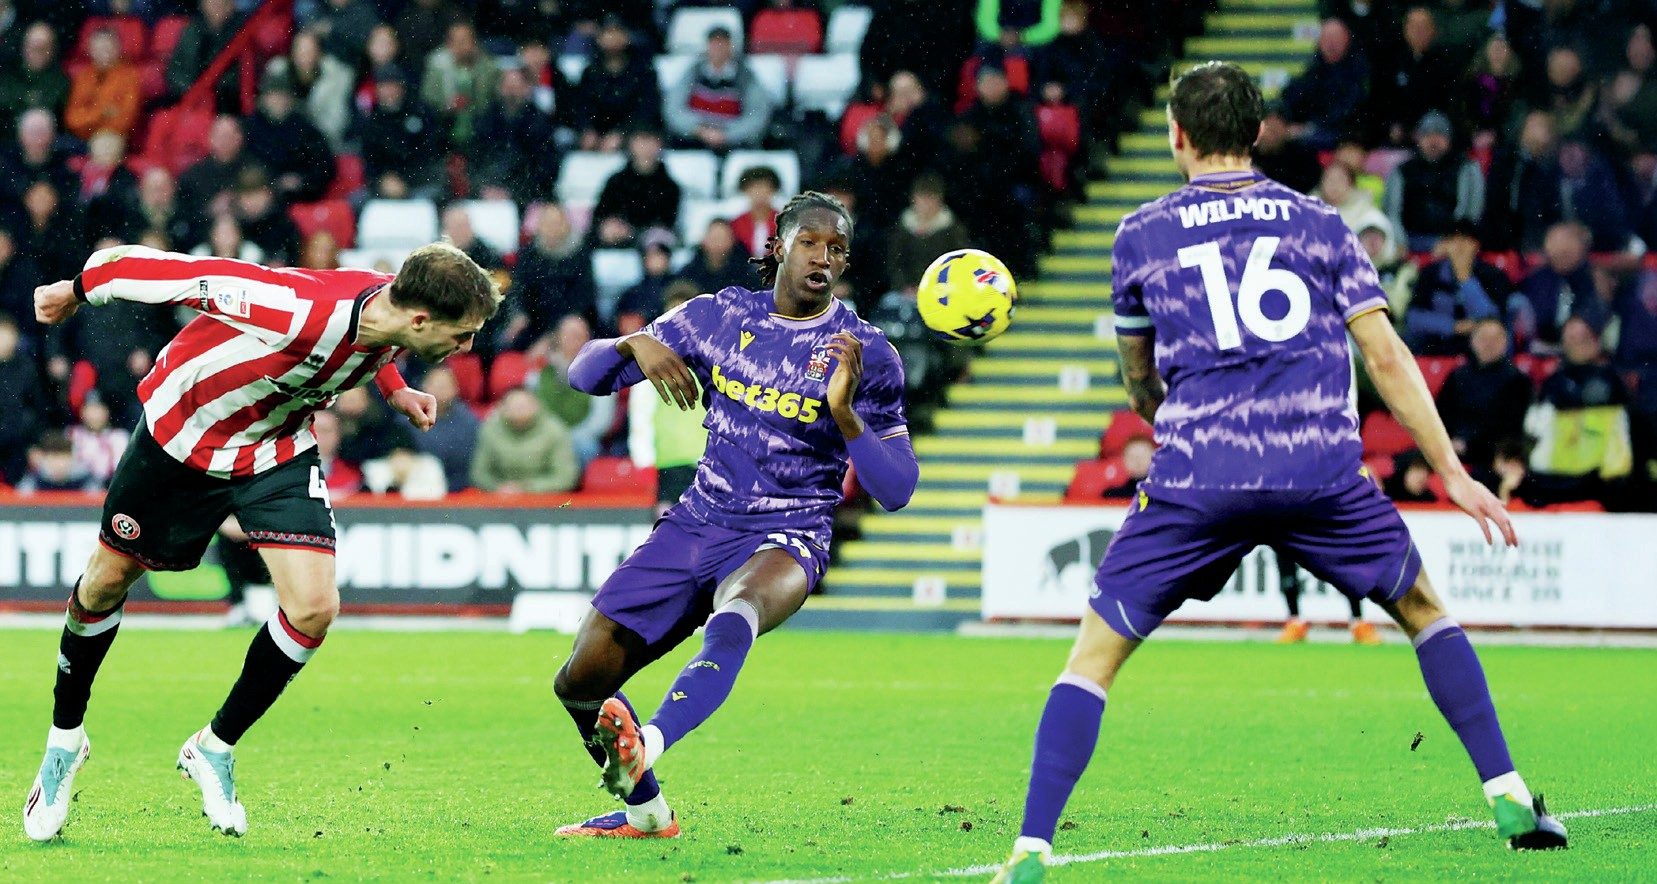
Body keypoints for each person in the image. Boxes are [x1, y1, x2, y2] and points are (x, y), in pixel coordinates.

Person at [991, 62, 1564, 883]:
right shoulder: (1321, 225)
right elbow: (1386, 357)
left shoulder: (1140, 234)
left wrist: (1169, 417)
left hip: (1197, 474)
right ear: (1258, 133)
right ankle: (1507, 792)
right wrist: (1452, 471)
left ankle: (1031, 847)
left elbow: (1137, 375)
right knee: (1422, 607)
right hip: (1318, 470)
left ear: (1175, 135)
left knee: (1092, 658)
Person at [22, 241, 500, 842]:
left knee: (314, 608)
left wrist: (395, 389)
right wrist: (74, 290)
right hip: (183, 437)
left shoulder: (393, 310)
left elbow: (373, 342)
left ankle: (214, 747)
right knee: (104, 583)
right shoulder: (297, 308)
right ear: (422, 321)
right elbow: (173, 272)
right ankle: (64, 742)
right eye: (463, 336)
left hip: (274, 446)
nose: (469, 350)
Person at [553, 192, 917, 838]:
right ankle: (647, 813)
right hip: (696, 520)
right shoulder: (715, 318)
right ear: (777, 247)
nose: (824, 258)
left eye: (837, 249)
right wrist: (636, 344)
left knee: (738, 609)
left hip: (789, 532)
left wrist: (844, 415)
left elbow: (896, 489)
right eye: (811, 242)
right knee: (581, 682)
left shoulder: (865, 352)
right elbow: (582, 377)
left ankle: (653, 740)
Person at [627, 285, 710, 515]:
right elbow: (641, 413)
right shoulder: (650, 362)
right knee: (669, 530)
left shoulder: (715, 358)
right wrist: (644, 460)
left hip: (713, 461)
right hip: (671, 463)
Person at [1403, 221, 1510, 356]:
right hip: (1438, 339)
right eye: (1453, 240)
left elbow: (1492, 318)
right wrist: (1453, 326)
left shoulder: (1493, 274)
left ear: (1476, 245)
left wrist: (1465, 279)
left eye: (1465, 240)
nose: (1459, 246)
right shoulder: (1430, 272)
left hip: (1477, 342)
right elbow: (1414, 317)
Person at [1383, 111, 1485, 252]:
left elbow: (1470, 213)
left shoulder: (1466, 168)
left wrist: (1451, 241)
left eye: (1440, 135)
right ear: (1417, 138)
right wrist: (1401, 243)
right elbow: (1392, 213)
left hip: (1450, 243)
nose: (1433, 141)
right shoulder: (1401, 171)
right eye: (1427, 135)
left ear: (1449, 139)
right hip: (1409, 241)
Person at [1438, 318, 1534, 465]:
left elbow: (1510, 429)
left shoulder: (1518, 381)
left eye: (1495, 338)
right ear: (1472, 341)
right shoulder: (1457, 376)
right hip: (1450, 448)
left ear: (1506, 342)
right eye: (1483, 338)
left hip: (1491, 455)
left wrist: (1468, 445)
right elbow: (1441, 415)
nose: (1489, 344)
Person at [663, 25, 773, 151]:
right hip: (694, 140)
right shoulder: (692, 73)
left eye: (722, 44)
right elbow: (673, 109)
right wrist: (699, 130)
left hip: (735, 144)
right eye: (714, 44)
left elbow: (757, 116)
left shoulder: (746, 77)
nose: (718, 49)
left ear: (730, 47)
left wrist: (727, 135)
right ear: (707, 46)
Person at [534, 314, 615, 467]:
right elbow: (532, 408)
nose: (573, 339)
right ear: (557, 337)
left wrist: (566, 437)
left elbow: (601, 421)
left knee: (584, 447)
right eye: (568, 334)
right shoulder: (540, 371)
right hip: (544, 435)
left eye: (578, 335)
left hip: (580, 438)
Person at [468, 388, 579, 494]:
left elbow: (565, 477)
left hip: (543, 499)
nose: (519, 410)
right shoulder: (490, 430)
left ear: (536, 405)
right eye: (514, 406)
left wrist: (527, 488)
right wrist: (497, 487)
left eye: (524, 405)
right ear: (502, 408)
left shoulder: (555, 430)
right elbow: (479, 473)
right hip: (501, 497)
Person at [592, 127, 681, 248]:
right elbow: (601, 214)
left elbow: (668, 222)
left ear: (659, 144)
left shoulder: (670, 186)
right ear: (630, 143)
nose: (645, 146)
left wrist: (635, 232)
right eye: (640, 140)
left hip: (651, 239)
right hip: (619, 235)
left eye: (651, 140)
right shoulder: (616, 181)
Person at [64, 26, 141, 141]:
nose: (104, 54)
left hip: (113, 137)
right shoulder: (84, 77)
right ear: (90, 50)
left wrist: (89, 118)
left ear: (118, 48)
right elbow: (72, 119)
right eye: (99, 49)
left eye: (108, 48)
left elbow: (124, 121)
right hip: (82, 137)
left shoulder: (130, 77)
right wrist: (102, 113)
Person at [411, 364, 478, 492]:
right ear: (423, 386)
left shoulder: (469, 421)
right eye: (434, 385)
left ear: (456, 389)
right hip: (418, 488)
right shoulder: (407, 417)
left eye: (444, 386)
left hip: (458, 489)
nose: (439, 390)